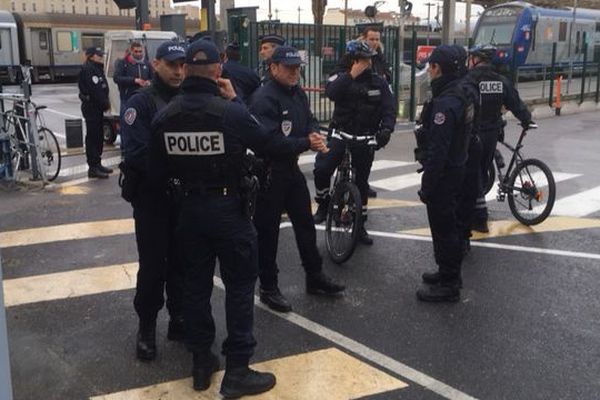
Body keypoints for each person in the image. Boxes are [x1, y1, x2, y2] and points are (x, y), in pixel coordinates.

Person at [148, 39, 327, 397]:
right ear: (219, 69)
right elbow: (269, 144)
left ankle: (201, 363)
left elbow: (155, 169)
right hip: (228, 210)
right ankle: (238, 370)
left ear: (186, 68)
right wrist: (237, 102)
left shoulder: (165, 116)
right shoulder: (229, 111)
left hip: (188, 212)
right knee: (241, 289)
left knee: (195, 287)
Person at [249, 46, 345, 313]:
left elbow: (310, 120)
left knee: (305, 224)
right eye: (289, 68)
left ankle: (314, 276)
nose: (295, 72)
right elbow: (266, 142)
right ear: (274, 68)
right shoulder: (263, 99)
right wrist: (305, 142)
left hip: (290, 171)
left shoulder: (298, 94)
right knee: (267, 233)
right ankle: (268, 287)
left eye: (297, 68)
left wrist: (314, 134)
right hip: (268, 173)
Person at [119, 41, 187, 361]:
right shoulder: (141, 102)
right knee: (152, 267)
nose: (178, 71)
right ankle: (147, 327)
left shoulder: (189, 99)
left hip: (183, 199)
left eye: (182, 64)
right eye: (171, 64)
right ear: (156, 64)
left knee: (181, 263)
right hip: (152, 199)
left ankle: (178, 320)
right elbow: (136, 153)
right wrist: (174, 170)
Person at [313, 40, 396, 245]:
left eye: (368, 60)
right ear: (352, 60)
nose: (365, 64)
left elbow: (389, 108)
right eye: (361, 60)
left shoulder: (379, 82)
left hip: (365, 138)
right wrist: (351, 75)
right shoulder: (339, 76)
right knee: (322, 168)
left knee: (361, 183)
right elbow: (331, 92)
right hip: (341, 133)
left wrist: (386, 129)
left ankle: (359, 226)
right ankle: (323, 205)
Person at [414, 45, 474, 303]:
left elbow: (438, 150)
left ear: (438, 68)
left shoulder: (446, 102)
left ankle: (449, 282)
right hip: (458, 166)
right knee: (447, 226)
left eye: (431, 66)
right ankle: (446, 271)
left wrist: (427, 185)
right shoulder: (464, 91)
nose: (429, 70)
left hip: (445, 173)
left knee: (444, 228)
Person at [467, 45, 533, 233]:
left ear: (476, 60)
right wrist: (527, 120)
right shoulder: (501, 81)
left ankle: (479, 218)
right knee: (480, 170)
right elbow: (515, 103)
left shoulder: (470, 79)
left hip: (475, 133)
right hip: (492, 133)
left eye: (471, 58)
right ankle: (476, 213)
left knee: (473, 174)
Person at [78, 47, 112, 179]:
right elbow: (94, 90)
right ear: (91, 56)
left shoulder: (97, 68)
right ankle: (93, 166)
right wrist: (104, 103)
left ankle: (97, 163)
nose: (101, 57)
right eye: (98, 55)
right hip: (92, 106)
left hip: (97, 107)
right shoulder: (88, 69)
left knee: (98, 136)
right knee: (93, 136)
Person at [113, 42, 152, 113]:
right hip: (128, 97)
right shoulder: (123, 63)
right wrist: (134, 80)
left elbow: (153, 77)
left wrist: (149, 82)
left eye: (140, 51)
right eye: (136, 51)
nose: (138, 54)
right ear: (131, 51)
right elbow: (116, 78)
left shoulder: (147, 63)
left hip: (144, 96)